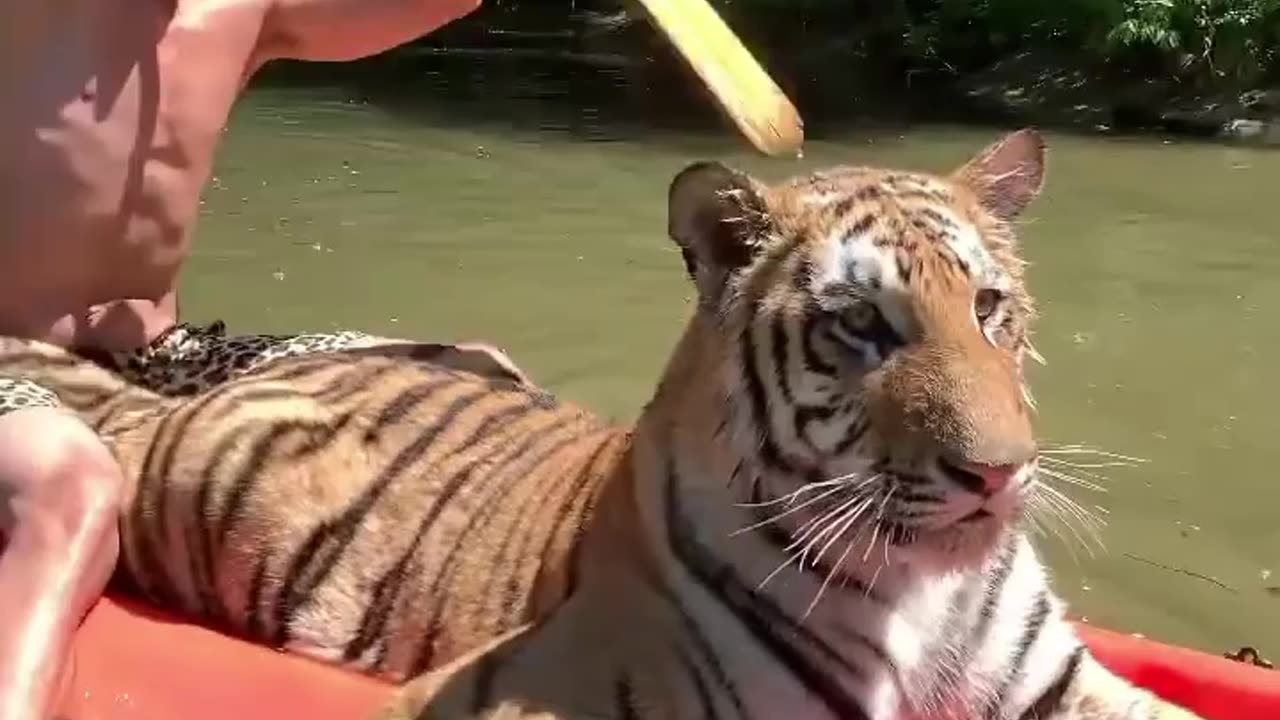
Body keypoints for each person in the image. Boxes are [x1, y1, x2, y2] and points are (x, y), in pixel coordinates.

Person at [0, 1, 532, 718]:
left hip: (163, 357)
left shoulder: (244, 11)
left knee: (474, 372)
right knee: (71, 488)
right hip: (10, 354)